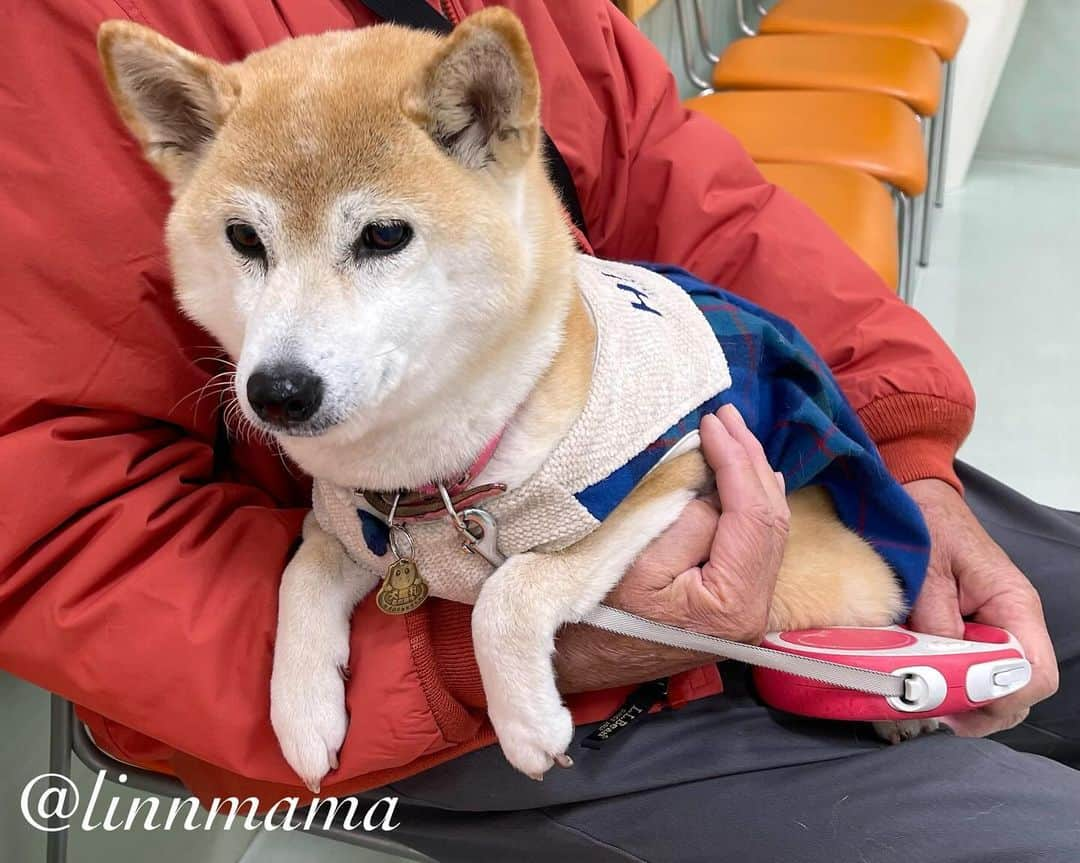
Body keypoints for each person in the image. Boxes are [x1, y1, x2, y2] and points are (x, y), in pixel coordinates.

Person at [0, 0, 1076, 860]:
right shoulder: (41, 43)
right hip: (398, 648)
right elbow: (53, 521)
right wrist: (495, 651)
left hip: (668, 459)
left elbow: (694, 199)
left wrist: (900, 451)